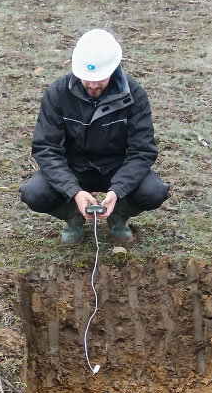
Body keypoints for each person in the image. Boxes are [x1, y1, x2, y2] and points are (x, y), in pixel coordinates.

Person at [19, 29, 169, 245]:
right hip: (74, 168)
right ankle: (73, 215)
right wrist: (74, 192)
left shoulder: (134, 95)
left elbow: (142, 151)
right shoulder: (57, 93)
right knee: (34, 193)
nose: (92, 85)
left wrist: (117, 191)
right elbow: (46, 148)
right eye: (87, 78)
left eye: (100, 79)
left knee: (154, 191)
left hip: (117, 167)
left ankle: (118, 215)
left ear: (114, 70)